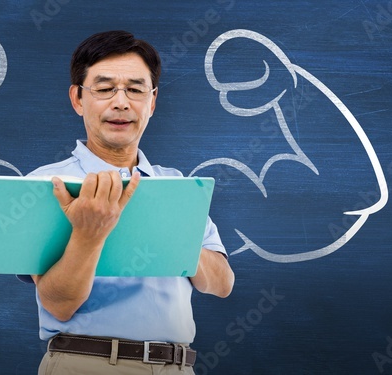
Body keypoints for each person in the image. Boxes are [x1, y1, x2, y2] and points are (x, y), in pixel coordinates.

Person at [20, 30, 235, 375]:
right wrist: (88, 234)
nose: (121, 102)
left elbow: (222, 283)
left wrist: (163, 230)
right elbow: (58, 304)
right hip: (85, 363)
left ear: (152, 102)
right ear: (77, 99)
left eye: (135, 90)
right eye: (104, 89)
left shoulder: (179, 186)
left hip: (177, 367)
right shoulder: (45, 187)